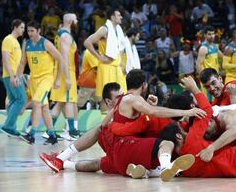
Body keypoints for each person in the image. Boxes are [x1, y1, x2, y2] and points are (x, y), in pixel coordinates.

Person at [39, 70, 206, 175]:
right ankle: (162, 168)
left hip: (117, 148)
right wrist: (187, 112)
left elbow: (104, 124)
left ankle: (64, 161)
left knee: (99, 158)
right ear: (144, 84)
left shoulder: (122, 100)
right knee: (165, 144)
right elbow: (154, 112)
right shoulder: (133, 99)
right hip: (126, 146)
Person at [160, 76, 236, 177]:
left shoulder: (186, 169)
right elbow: (208, 111)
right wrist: (194, 89)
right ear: (179, 136)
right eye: (183, 132)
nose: (186, 131)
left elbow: (177, 125)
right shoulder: (192, 139)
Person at [16, 20, 63, 145]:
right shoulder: (26, 43)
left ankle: (31, 135)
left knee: (36, 103)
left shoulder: (46, 43)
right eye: (28, 31)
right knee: (44, 108)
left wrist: (58, 79)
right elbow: (22, 62)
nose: (30, 33)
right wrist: (17, 77)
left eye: (32, 31)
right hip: (34, 79)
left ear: (38, 31)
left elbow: (60, 59)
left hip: (46, 78)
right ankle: (52, 135)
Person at [84, 8, 127, 113]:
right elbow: (87, 42)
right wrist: (99, 57)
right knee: (106, 98)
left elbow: (120, 49)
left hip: (117, 67)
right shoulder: (104, 29)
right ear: (112, 17)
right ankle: (104, 125)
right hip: (106, 66)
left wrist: (122, 64)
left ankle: (117, 123)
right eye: (119, 15)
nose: (121, 17)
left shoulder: (118, 30)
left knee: (121, 96)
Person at [50, 13, 80, 140]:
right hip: (66, 71)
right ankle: (71, 131)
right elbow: (64, 58)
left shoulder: (61, 34)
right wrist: (67, 78)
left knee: (61, 103)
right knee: (69, 100)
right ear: (70, 21)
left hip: (64, 71)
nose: (77, 21)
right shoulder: (65, 36)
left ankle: (50, 130)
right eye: (76, 19)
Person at [0, 19, 27, 137]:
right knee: (21, 99)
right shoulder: (8, 40)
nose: (23, 30)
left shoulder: (15, 41)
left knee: (13, 100)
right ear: (15, 27)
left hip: (15, 76)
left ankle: (11, 127)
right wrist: (12, 76)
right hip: (11, 76)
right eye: (21, 27)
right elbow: (5, 59)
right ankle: (8, 126)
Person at [196, 26, 222, 101]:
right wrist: (202, 78)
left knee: (216, 100)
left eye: (213, 34)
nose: (212, 36)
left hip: (214, 77)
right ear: (205, 35)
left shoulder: (215, 46)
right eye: (209, 34)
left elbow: (222, 57)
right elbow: (198, 64)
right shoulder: (203, 48)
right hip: (207, 79)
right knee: (208, 100)